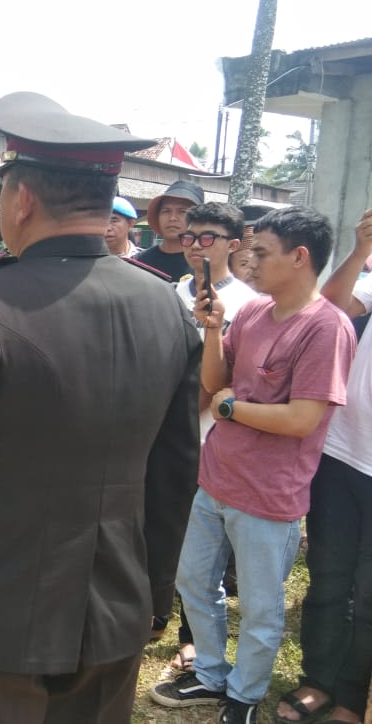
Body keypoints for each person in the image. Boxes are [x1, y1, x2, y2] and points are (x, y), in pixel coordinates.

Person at [0, 91, 202, 724]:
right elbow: (174, 473)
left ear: (21, 198)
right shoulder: (166, 304)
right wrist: (152, 596)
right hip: (115, 613)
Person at [150, 206, 356, 724]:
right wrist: (215, 330)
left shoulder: (326, 328)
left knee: (263, 609)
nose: (249, 260)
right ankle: (212, 673)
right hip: (216, 477)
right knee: (194, 581)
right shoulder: (253, 313)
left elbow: (302, 418)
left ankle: (244, 694)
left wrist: (230, 407)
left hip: (269, 496)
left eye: (261, 252)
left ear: (299, 257)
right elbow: (214, 376)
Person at [271, 208, 372, 724]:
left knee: (369, 589)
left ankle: (352, 695)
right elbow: (330, 305)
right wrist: (360, 251)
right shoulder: (371, 282)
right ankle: (318, 679)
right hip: (343, 456)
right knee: (329, 578)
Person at [161, 200, 257, 667]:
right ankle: (153, 612)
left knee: (197, 541)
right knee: (159, 523)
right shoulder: (168, 292)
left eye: (207, 239)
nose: (195, 246)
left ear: (233, 245)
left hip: (205, 436)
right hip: (159, 427)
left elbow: (229, 376)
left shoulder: (249, 303)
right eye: (189, 237)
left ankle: (191, 635)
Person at [135, 180, 204, 281]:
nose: (172, 218)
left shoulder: (206, 265)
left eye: (182, 211)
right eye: (166, 211)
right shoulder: (138, 263)